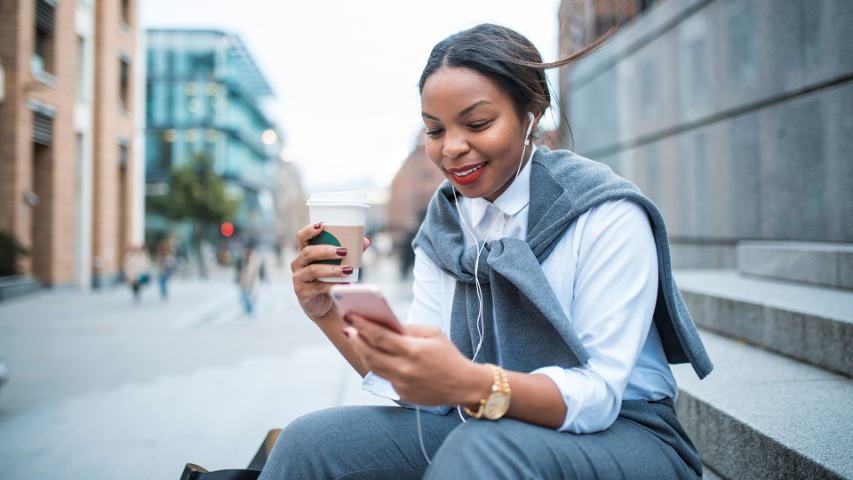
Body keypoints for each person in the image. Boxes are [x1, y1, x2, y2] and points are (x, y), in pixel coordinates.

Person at [265, 24, 712, 479]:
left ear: (531, 116)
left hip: (626, 433)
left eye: (478, 124)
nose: (453, 148)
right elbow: (423, 390)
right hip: (485, 420)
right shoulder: (444, 229)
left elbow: (599, 396)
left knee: (482, 450)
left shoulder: (605, 212)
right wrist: (326, 312)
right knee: (311, 443)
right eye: (435, 130)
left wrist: (472, 382)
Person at [237, 242, 262, 316]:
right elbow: (239, 270)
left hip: (253, 283)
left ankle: (250, 312)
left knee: (251, 298)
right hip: (244, 283)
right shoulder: (242, 259)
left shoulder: (255, 259)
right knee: (244, 298)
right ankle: (249, 311)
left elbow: (257, 271)